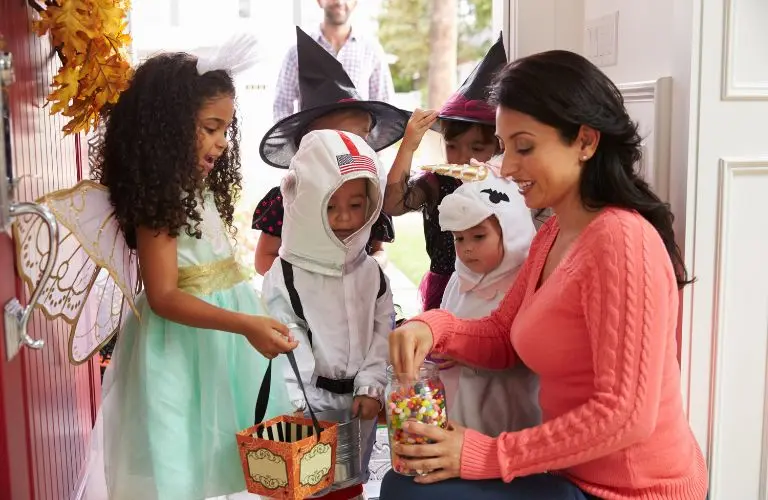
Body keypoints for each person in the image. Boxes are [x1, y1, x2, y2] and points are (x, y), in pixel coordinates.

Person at [381, 50, 709, 499]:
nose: (508, 167)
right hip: (571, 472)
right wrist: (431, 325)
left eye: (525, 146)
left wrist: (484, 454)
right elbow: (503, 335)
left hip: (629, 489)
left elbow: (626, 416)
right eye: (504, 146)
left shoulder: (620, 241)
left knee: (410, 490)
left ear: (586, 142)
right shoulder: (554, 230)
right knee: (407, 474)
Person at [90, 38, 296, 499]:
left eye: (227, 129)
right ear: (169, 127)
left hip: (222, 344)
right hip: (179, 347)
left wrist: (251, 320)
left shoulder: (195, 189)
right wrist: (244, 324)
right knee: (180, 460)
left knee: (225, 454)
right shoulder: (158, 199)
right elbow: (164, 296)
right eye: (211, 127)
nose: (223, 142)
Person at [262, 129, 395, 500]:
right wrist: (299, 402)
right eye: (331, 206)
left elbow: (382, 330)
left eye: (356, 206)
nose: (344, 219)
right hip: (308, 404)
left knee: (349, 480)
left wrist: (372, 384)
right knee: (304, 485)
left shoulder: (371, 273)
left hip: (358, 403)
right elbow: (287, 333)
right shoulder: (287, 273)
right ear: (306, 204)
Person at [253, 26, 408, 276]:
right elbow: (264, 259)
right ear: (308, 142)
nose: (351, 147)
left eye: (361, 137)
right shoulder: (290, 197)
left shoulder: (370, 194)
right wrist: (308, 278)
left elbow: (378, 251)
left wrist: (371, 267)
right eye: (339, 138)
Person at [383, 34, 506, 312]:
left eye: (477, 146)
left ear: (501, 144)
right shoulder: (437, 183)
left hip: (494, 291)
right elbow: (392, 204)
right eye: (452, 146)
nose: (463, 157)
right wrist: (408, 146)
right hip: (444, 291)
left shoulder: (506, 185)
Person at [435, 169, 540, 438]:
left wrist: (459, 346)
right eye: (459, 239)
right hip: (459, 399)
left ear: (510, 231)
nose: (467, 248)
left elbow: (515, 347)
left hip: (503, 400)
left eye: (479, 237)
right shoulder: (459, 279)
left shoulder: (524, 283)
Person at [272, 0, 395, 122]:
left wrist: (369, 140)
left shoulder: (371, 51)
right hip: (311, 139)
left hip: (358, 140)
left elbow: (384, 107)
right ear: (320, 2)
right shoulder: (297, 52)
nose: (339, 2)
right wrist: (294, 139)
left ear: (355, 2)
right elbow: (281, 105)